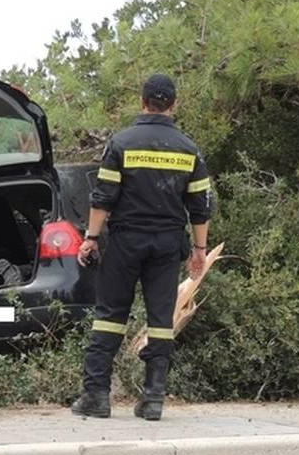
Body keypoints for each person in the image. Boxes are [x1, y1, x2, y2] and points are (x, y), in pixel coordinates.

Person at [71, 74, 212, 421]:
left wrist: (91, 238)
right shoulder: (188, 149)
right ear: (174, 104)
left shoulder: (122, 143)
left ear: (143, 101)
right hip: (166, 245)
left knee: (109, 316)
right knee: (162, 320)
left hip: (125, 242)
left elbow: (103, 198)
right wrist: (200, 249)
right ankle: (153, 400)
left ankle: (97, 396)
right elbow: (200, 206)